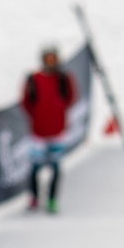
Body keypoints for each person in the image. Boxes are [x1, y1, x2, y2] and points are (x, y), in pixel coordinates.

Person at [20, 47, 78, 212]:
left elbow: (70, 99)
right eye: (48, 59)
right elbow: (26, 103)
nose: (51, 63)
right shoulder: (33, 79)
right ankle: (34, 197)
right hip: (38, 133)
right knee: (35, 168)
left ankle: (52, 199)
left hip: (58, 133)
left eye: (54, 59)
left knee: (55, 168)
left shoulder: (63, 79)